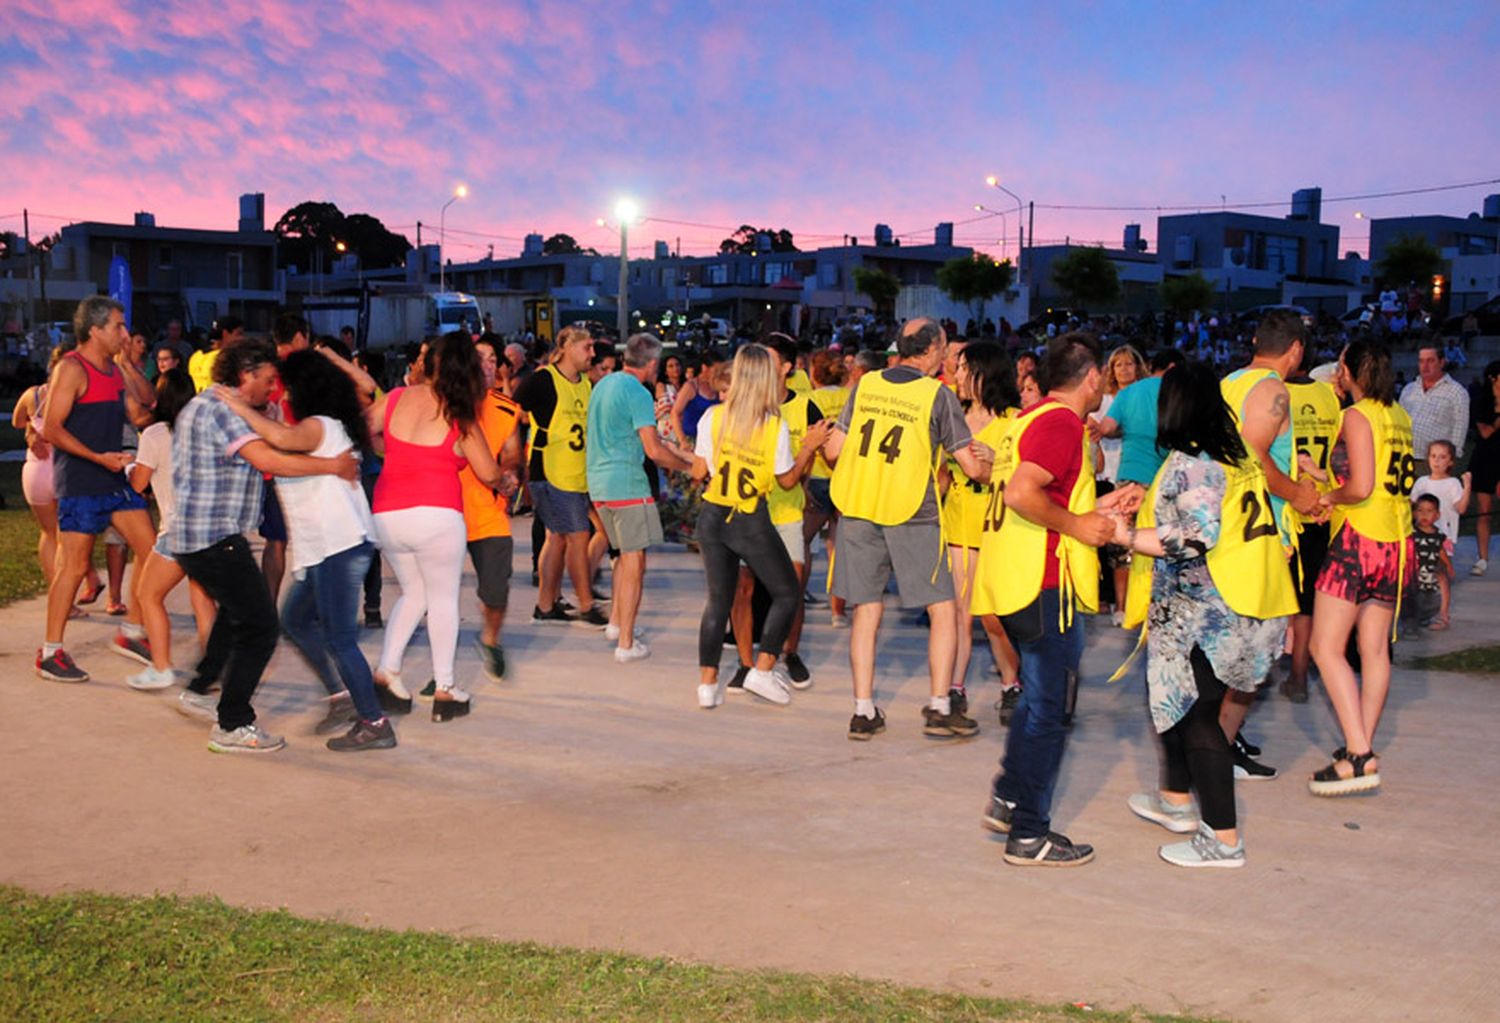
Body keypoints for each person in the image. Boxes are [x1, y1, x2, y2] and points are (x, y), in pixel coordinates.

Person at [1114, 362, 1297, 868]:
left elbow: (1194, 537)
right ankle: (1175, 800)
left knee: (1197, 718)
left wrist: (1123, 536)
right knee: (1174, 700)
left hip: (1212, 612)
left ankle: (1222, 838)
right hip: (1241, 603)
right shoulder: (1231, 452)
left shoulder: (1197, 461)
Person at [168, 337, 359, 753]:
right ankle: (233, 723)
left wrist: (265, 415)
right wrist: (333, 466)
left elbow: (271, 438)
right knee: (261, 627)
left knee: (235, 614)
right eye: (268, 381)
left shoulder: (210, 405)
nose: (273, 390)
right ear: (246, 375)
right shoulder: (222, 410)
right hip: (213, 537)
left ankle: (201, 689)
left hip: (200, 537)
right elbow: (268, 460)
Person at [973, 332, 1117, 867]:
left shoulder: (1027, 420)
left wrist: (1098, 508)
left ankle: (1010, 797)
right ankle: (1029, 834)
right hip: (1043, 583)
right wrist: (1079, 523)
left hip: (1017, 578)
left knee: (1037, 702)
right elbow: (1021, 493)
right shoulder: (1059, 423)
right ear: (1093, 377)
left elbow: (1046, 490)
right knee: (1051, 712)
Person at [214, 349, 394, 750]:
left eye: (285, 387)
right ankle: (342, 696)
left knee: (340, 639)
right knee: (294, 619)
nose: (280, 393)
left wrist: (240, 406)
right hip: (326, 547)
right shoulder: (324, 426)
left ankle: (375, 721)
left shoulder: (320, 426)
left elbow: (278, 440)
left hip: (340, 544)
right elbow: (278, 445)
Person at [825, 318, 995, 740]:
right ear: (935, 349)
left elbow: (833, 450)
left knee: (866, 608)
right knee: (942, 608)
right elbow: (971, 467)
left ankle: (863, 711)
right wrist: (992, 464)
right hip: (910, 509)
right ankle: (940, 706)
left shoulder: (866, 385)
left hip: (859, 504)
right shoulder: (938, 395)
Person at [367, 331, 512, 721]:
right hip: (436, 514)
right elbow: (487, 471)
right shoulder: (458, 413)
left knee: (414, 593)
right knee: (444, 599)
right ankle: (446, 689)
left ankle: (387, 673)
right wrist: (505, 480)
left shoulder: (395, 398)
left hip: (387, 513)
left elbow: (364, 429)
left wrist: (394, 452)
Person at [1215, 309, 1323, 780]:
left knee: (1233, 648)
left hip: (1225, 529)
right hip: (1256, 537)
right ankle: (1214, 749)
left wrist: (1299, 465)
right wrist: (1298, 493)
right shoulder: (1273, 390)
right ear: (1296, 350)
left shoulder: (1229, 383)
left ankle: (1223, 738)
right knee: (1254, 655)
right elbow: (1251, 455)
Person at [1307, 340, 1414, 796]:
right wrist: (1323, 476)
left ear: (1350, 371)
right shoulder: (1400, 415)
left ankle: (1358, 751)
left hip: (1359, 539)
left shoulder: (1357, 415)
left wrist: (1329, 495)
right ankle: (1362, 746)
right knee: (1373, 650)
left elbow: (1362, 485)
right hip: (1396, 540)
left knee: (1324, 647)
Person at [692, 345, 822, 708]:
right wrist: (809, 448)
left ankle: (707, 684)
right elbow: (787, 480)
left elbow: (699, 472)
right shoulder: (772, 426)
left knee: (719, 600)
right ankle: (762, 670)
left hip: (713, 514)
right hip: (749, 517)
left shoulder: (713, 417)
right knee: (787, 593)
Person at [35, 297, 158, 683]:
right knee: (72, 567)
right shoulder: (71, 368)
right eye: (118, 327)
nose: (125, 334)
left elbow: (145, 406)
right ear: (95, 330)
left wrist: (125, 363)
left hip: (112, 479)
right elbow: (51, 428)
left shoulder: (114, 369)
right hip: (81, 481)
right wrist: (98, 457)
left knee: (152, 551)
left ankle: (132, 631)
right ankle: (51, 652)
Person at [586, 333, 704, 662]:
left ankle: (616, 624)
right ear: (652, 363)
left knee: (623, 557)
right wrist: (688, 465)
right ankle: (626, 643)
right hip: (627, 483)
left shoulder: (603, 385)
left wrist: (684, 458)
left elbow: (650, 443)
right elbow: (653, 450)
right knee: (635, 562)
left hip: (598, 484)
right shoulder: (637, 392)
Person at [724, 335, 830, 690]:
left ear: (786, 367)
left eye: (769, 359)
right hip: (746, 512)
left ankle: (791, 652)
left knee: (793, 588)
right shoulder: (739, 407)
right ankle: (745, 661)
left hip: (786, 514)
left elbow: (827, 456)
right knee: (743, 588)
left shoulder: (805, 407)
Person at [122, 369, 217, 691]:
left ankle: (161, 666)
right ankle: (212, 669)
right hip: (208, 527)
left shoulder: (155, 434)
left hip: (176, 530)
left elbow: (138, 485)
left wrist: (129, 465)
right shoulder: (202, 430)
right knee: (203, 600)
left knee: (148, 595)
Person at [941, 341, 1021, 720]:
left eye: (963, 369)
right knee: (960, 611)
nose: (956, 376)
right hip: (957, 525)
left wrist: (998, 463)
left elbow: (1024, 480)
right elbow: (939, 476)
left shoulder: (1015, 422)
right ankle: (955, 686)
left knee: (994, 616)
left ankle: (1011, 683)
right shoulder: (951, 416)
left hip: (998, 528)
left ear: (984, 373)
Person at [514, 325, 608, 627]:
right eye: (587, 347)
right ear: (567, 346)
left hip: (576, 473)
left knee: (557, 539)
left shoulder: (585, 384)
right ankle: (586, 604)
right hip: (551, 470)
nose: (591, 354)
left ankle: (546, 605)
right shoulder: (544, 379)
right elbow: (516, 406)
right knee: (578, 536)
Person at [11, 348, 104, 606]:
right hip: (65, 470)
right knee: (70, 537)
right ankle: (67, 599)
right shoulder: (77, 398)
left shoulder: (33, 395)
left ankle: (66, 596)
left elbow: (17, 421)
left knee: (49, 534)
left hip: (36, 471)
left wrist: (31, 426)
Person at [454, 335, 523, 681]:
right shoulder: (445, 406)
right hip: (447, 511)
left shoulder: (506, 409)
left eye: (494, 359)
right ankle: (442, 669)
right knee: (436, 597)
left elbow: (512, 452)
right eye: (480, 358)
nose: (488, 364)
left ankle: (490, 639)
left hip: (488, 513)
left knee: (496, 589)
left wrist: (509, 472)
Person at [1280, 348, 1344, 702]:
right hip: (1322, 505)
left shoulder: (1276, 393)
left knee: (1287, 596)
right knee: (1309, 598)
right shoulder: (1327, 396)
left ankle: (1296, 675)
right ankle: (1299, 671)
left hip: (1290, 507)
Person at [1091, 344, 1146, 625]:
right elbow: (1097, 429)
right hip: (1107, 474)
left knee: (1138, 541)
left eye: (1129, 364)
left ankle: (1135, 603)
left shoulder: (1145, 395)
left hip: (1137, 474)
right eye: (1118, 365)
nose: (1124, 369)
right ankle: (1115, 602)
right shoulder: (1104, 399)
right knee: (1112, 543)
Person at [803, 349, 850, 628]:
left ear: (814, 374)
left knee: (804, 541)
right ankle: (838, 611)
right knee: (839, 545)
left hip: (817, 477)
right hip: (845, 477)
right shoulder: (852, 398)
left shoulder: (809, 400)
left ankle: (797, 596)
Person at [1409, 440, 1469, 630]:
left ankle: (1443, 614)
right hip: (1421, 537)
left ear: (1450, 461)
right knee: (1419, 574)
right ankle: (1418, 612)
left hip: (1442, 537)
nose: (1437, 461)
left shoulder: (1452, 483)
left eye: (1442, 457)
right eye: (1433, 456)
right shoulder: (1422, 482)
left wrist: (1467, 486)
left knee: (1441, 575)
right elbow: (1411, 505)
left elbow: (1461, 507)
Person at [1398, 343, 1470, 473]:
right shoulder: (1409, 389)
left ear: (1442, 362)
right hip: (1406, 458)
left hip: (1435, 463)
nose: (1425, 366)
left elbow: (1459, 431)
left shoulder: (1457, 392)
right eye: (1421, 361)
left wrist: (1450, 462)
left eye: (1430, 361)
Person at [1468, 361, 1500, 575]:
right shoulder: (1481, 402)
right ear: (1493, 378)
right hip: (1486, 460)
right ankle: (1482, 559)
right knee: (1484, 513)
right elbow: (1486, 432)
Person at [1406, 495, 1451, 630]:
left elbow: (1441, 550)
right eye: (1420, 511)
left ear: (1437, 515)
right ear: (1414, 513)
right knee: (1412, 599)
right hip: (1415, 574)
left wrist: (1448, 565)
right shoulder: (1411, 532)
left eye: (1429, 511)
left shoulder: (1438, 534)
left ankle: (1442, 615)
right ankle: (1410, 623)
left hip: (1431, 573)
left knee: (1442, 583)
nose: (1424, 515)